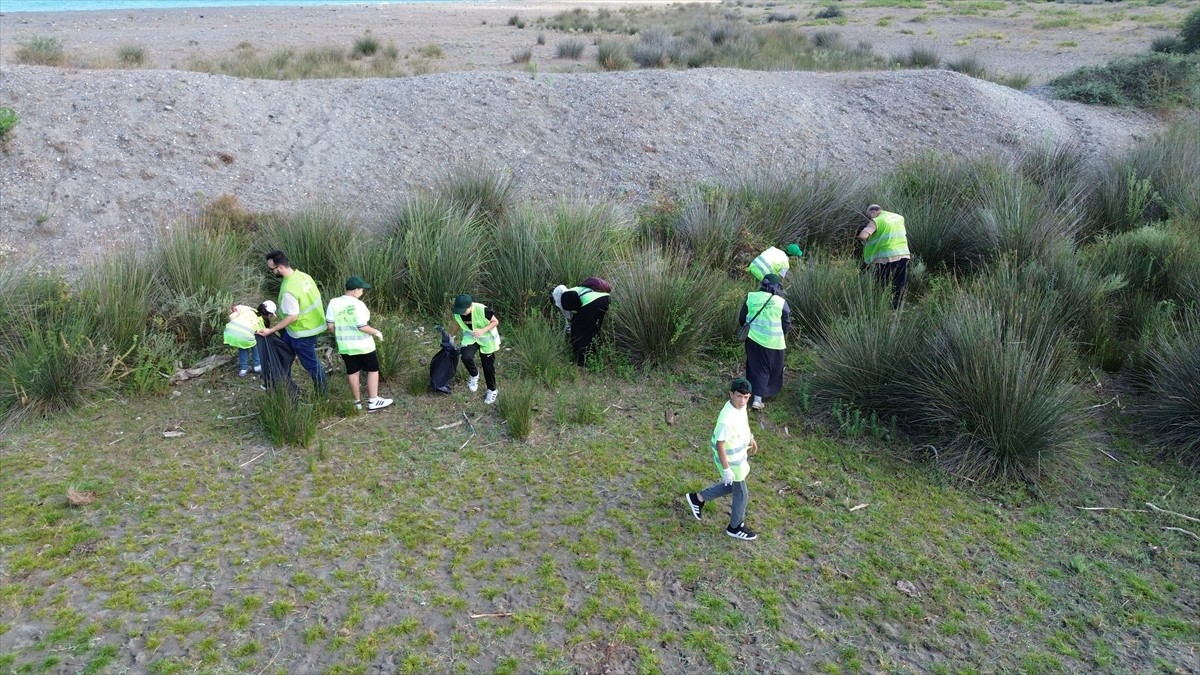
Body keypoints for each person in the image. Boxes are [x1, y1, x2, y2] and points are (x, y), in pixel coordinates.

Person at [684, 378, 760, 541]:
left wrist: (751, 438)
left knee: (732, 486)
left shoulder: (740, 407)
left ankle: (698, 498)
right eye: (739, 396)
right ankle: (735, 526)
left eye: (746, 397)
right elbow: (720, 444)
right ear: (731, 394)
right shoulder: (726, 419)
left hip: (737, 458)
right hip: (730, 461)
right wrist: (726, 469)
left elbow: (743, 424)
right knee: (741, 493)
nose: (742, 401)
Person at [257, 250, 328, 394]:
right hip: (304, 327)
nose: (271, 272)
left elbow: (292, 316)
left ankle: (323, 395)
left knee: (311, 365)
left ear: (280, 267)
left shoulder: (289, 289)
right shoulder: (303, 276)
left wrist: (271, 330)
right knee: (283, 354)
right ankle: (284, 386)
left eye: (272, 269)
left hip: (301, 331)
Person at [325, 276, 392, 412]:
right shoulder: (359, 305)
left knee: (353, 372)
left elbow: (330, 326)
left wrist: (340, 333)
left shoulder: (333, 302)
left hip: (345, 346)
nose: (362, 292)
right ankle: (373, 400)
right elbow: (361, 326)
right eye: (361, 290)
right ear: (355, 291)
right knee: (372, 370)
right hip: (364, 345)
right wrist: (377, 332)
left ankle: (357, 402)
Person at [739, 273, 790, 410]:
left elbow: (742, 318)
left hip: (752, 340)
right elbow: (786, 323)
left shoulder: (751, 297)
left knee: (755, 367)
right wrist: (784, 333)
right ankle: (758, 399)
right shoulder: (781, 302)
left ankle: (750, 391)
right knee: (768, 370)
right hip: (773, 342)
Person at [451, 293, 501, 405]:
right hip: (471, 337)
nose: (461, 313)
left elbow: (495, 321)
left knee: (488, 366)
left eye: (464, 310)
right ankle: (474, 375)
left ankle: (492, 390)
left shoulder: (482, 310)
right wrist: (451, 336)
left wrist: (482, 331)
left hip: (487, 339)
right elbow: (456, 323)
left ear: (470, 306)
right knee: (466, 356)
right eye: (459, 310)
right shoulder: (458, 312)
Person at [858, 204, 911, 309]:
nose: (871, 218)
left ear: (873, 212)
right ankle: (897, 305)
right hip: (903, 253)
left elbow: (863, 236)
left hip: (886, 256)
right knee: (900, 281)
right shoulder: (899, 217)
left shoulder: (877, 220)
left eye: (870, 216)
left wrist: (865, 237)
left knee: (882, 281)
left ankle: (879, 304)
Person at [552, 276, 612, 365]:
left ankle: (581, 362)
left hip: (592, 302)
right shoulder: (575, 290)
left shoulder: (565, 297)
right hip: (605, 299)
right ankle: (594, 355)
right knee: (593, 330)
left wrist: (572, 327)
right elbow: (578, 310)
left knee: (578, 331)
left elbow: (572, 316)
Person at [223, 302, 264, 377]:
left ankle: (243, 369)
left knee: (242, 346)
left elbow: (232, 314)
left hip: (230, 330)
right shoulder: (259, 317)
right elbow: (260, 332)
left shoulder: (245, 308)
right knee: (255, 344)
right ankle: (257, 366)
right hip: (246, 333)